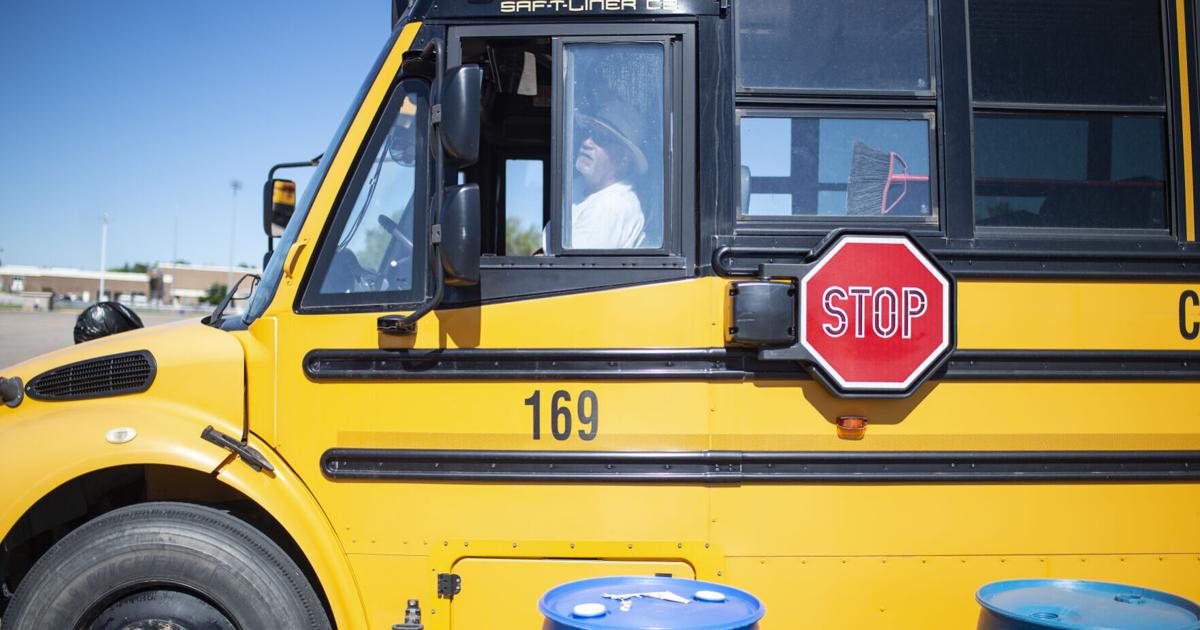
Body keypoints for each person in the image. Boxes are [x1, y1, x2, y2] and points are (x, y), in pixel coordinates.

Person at [552, 103, 649, 250]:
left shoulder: (613, 205)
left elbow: (566, 267)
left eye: (601, 138)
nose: (587, 142)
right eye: (588, 132)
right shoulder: (579, 187)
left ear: (624, 160)